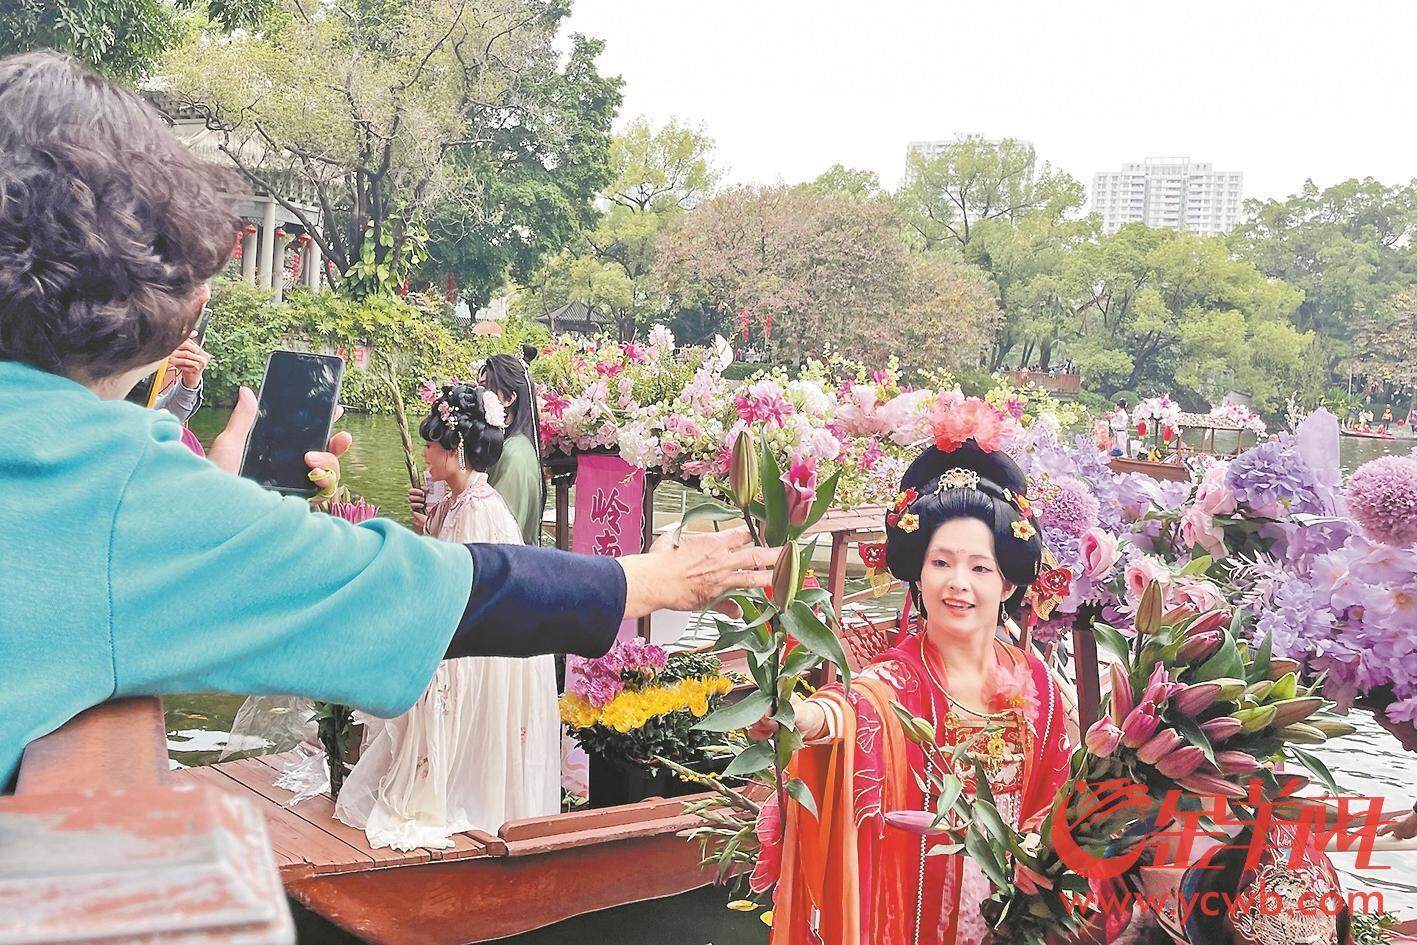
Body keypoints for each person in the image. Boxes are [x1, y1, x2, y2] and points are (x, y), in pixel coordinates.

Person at [0, 51, 775, 792]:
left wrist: (216, 468)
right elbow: (410, 587)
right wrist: (644, 579)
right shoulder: (105, 485)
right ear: (152, 296)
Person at [750, 438, 1072, 945]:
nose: (957, 583)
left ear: (1008, 584)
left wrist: (1038, 846)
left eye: (980, 567)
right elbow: (853, 711)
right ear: (918, 575)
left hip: (1012, 912)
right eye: (941, 563)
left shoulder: (1041, 684)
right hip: (911, 910)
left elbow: (1056, 790)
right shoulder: (896, 679)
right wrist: (803, 719)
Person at [336, 382, 558, 848]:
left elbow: (463, 593)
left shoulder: (478, 509)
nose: (426, 453)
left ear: (455, 451)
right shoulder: (460, 500)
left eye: (433, 445)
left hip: (475, 640)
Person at [476, 347, 546, 547]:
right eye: (478, 388)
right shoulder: (509, 446)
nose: (479, 396)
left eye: (486, 388)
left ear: (508, 398)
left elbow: (494, 535)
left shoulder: (514, 456)